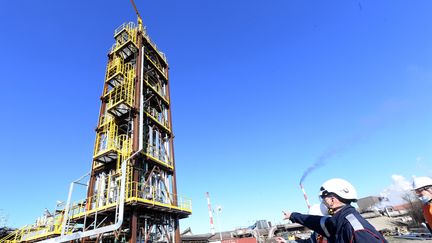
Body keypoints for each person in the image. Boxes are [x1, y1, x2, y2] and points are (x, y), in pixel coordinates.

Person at [282, 178, 388, 243]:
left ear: (332, 200)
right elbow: (312, 221)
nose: (323, 203)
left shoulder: (356, 229)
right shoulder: (337, 222)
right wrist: (292, 215)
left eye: (324, 199)